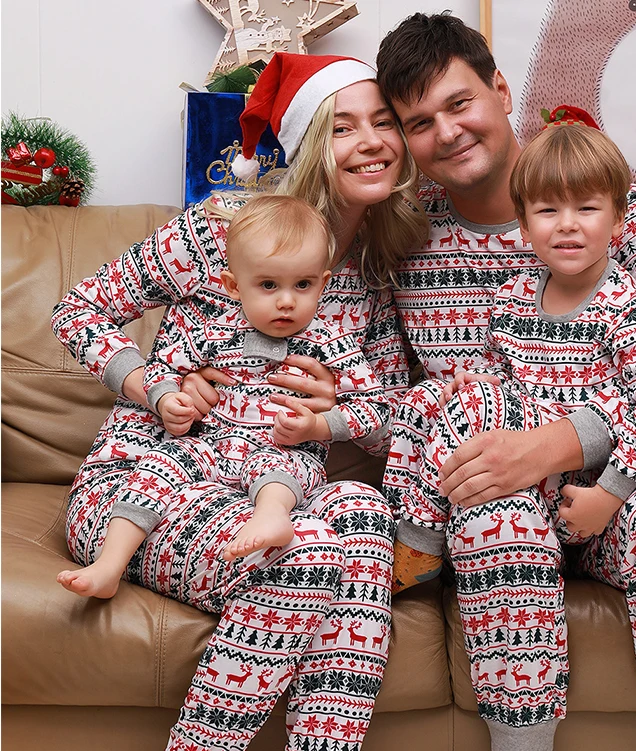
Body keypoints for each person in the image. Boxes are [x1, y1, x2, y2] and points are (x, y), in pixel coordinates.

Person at [376, 12, 636, 751]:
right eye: (419, 123)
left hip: (624, 482)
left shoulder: (612, 209)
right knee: (493, 520)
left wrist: (559, 445)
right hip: (491, 497)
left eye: (459, 102)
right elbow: (404, 399)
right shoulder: (407, 235)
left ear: (501, 89)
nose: (446, 133)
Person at [52, 52, 427, 751]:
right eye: (343, 126)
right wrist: (156, 386)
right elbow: (78, 310)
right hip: (151, 477)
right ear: (311, 142)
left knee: (360, 513)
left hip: (271, 484)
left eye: (384, 122)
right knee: (311, 554)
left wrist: (331, 414)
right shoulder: (213, 235)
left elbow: (391, 420)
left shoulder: (367, 275)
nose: (372, 141)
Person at [394, 121, 636, 570]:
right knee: (431, 398)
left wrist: (610, 492)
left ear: (618, 220)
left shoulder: (628, 306)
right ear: (524, 224)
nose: (568, 225)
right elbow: (506, 375)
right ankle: (417, 537)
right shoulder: (513, 298)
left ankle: (421, 547)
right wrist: (483, 383)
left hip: (603, 499)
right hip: (533, 494)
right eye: (548, 211)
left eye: (587, 208)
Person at [56, 194, 392, 598]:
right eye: (269, 285)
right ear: (233, 286)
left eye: (302, 285)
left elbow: (378, 409)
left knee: (311, 486)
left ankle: (271, 516)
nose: (286, 301)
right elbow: (165, 363)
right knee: (162, 462)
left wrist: (321, 423)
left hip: (279, 449)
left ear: (323, 283)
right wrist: (164, 396)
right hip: (208, 444)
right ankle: (109, 563)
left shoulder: (331, 341)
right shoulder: (216, 330)